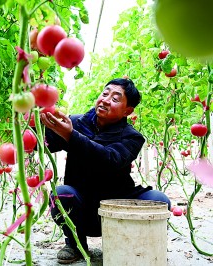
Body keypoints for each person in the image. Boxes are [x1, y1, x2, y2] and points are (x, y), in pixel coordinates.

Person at [40, 78, 171, 264]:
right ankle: (75, 245)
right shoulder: (75, 123)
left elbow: (109, 160)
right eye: (105, 93)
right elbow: (42, 143)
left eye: (115, 99)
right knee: (61, 194)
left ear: (128, 111)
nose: (106, 100)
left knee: (160, 201)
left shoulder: (132, 137)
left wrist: (71, 136)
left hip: (119, 208)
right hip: (82, 209)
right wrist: (32, 116)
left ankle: (132, 244)